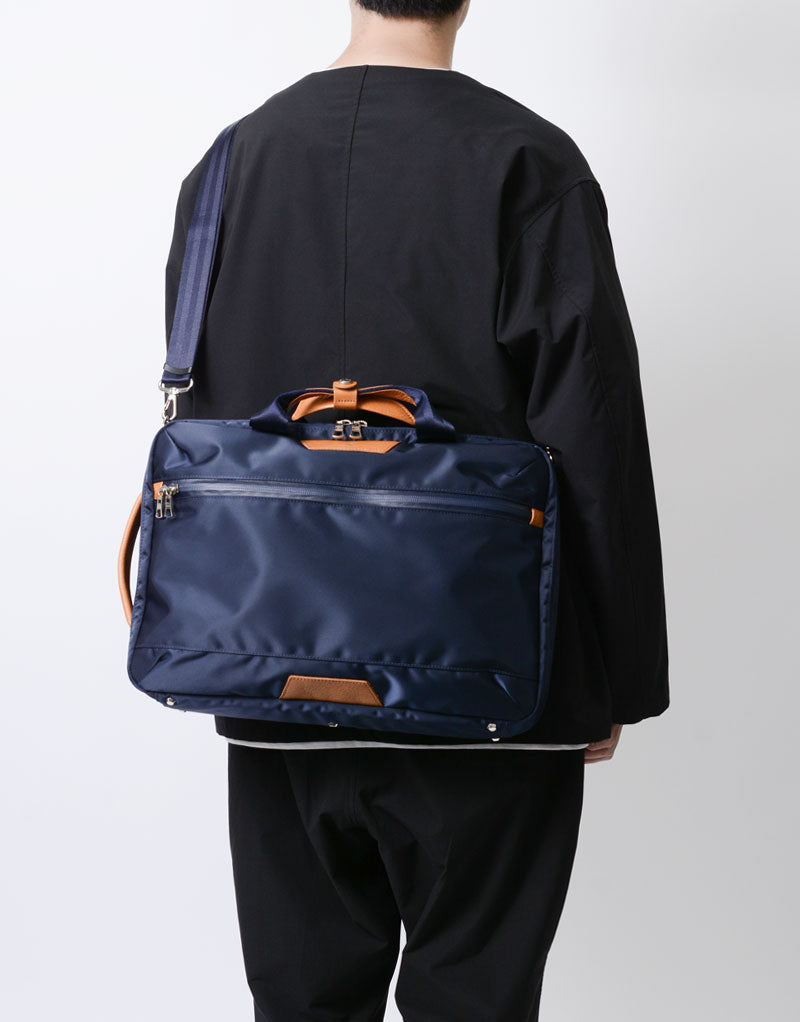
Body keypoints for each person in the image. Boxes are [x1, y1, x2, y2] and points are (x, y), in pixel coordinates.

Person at [163, 1, 669, 1018]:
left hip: (274, 676)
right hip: (488, 685)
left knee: (302, 1003)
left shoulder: (227, 167)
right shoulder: (529, 162)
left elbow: (211, 403)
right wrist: (614, 672)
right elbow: (594, 426)